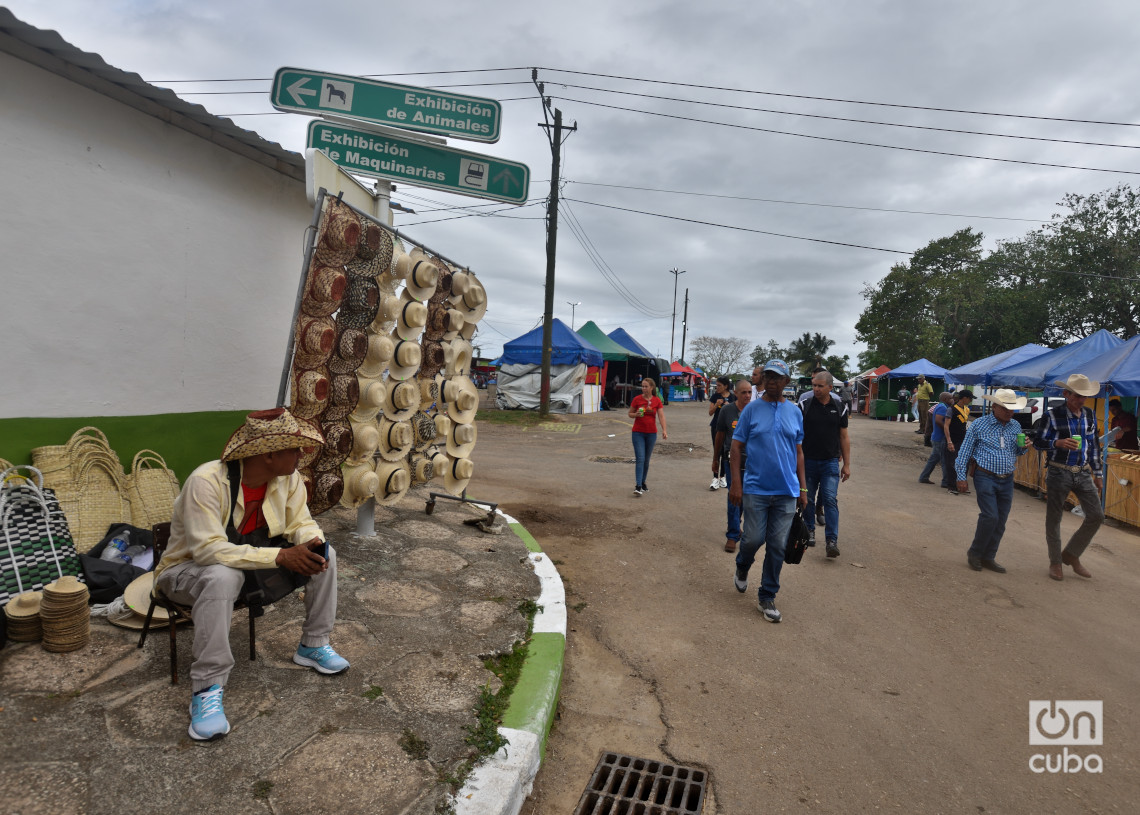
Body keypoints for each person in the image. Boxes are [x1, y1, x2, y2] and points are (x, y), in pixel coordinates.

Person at [154, 408, 349, 742]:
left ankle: (313, 645)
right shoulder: (206, 482)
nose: (301, 455)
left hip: (243, 565)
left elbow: (299, 521)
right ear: (270, 454)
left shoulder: (287, 479)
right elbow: (207, 552)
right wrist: (281, 556)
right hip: (183, 574)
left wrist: (310, 541)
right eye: (294, 448)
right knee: (222, 576)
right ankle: (207, 688)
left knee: (324, 554)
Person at [729, 359, 807, 623]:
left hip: (786, 491)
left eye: (778, 378)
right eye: (768, 377)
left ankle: (767, 595)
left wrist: (803, 488)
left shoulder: (795, 412)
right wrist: (736, 484)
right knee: (752, 539)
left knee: (776, 545)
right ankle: (742, 565)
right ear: (762, 381)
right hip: (756, 489)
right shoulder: (751, 411)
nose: (772, 382)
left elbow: (798, 452)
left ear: (787, 382)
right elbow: (736, 447)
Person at [1034, 374, 1105, 581]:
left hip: (1082, 471)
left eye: (1084, 396)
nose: (1081, 400)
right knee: (1054, 518)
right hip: (1058, 470)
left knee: (1096, 516)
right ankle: (1056, 562)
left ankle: (1071, 554)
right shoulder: (1052, 415)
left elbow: (1093, 447)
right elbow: (1038, 442)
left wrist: (1098, 474)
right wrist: (1057, 443)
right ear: (1066, 394)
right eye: (1077, 395)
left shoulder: (1090, 415)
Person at [954, 389, 1030, 573]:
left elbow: (1017, 452)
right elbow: (964, 451)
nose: (1009, 412)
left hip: (1007, 478)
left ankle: (989, 557)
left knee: (1001, 520)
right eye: (1005, 408)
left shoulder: (1015, 426)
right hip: (985, 475)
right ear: (994, 406)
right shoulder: (979, 424)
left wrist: (1024, 447)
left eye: (1012, 408)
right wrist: (961, 476)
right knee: (990, 516)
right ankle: (975, 552)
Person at [800, 370, 850, 558]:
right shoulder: (804, 405)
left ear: (830, 387)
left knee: (830, 499)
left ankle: (832, 540)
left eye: (820, 386)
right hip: (808, 462)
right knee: (808, 498)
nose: (816, 389)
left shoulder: (839, 407)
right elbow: (796, 435)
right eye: (814, 385)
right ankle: (809, 530)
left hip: (830, 462)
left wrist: (846, 464)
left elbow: (844, 436)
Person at [713, 379, 751, 553]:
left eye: (750, 392)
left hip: (751, 462)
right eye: (743, 392)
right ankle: (732, 535)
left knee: (743, 498)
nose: (747, 396)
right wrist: (715, 459)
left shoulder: (755, 411)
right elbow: (720, 435)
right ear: (736, 393)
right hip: (731, 460)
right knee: (733, 495)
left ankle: (737, 526)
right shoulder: (727, 411)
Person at [628, 377, 667, 496]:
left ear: (651, 388)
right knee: (640, 458)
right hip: (638, 433)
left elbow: (661, 416)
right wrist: (636, 414)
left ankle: (643, 482)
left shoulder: (656, 400)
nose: (643, 388)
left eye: (646, 386)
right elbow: (630, 414)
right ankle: (638, 485)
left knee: (646, 460)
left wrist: (664, 430)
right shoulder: (637, 399)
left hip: (651, 433)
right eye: (642, 386)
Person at [918, 392, 953, 487]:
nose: (952, 400)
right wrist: (947, 430)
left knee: (934, 459)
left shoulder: (939, 406)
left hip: (937, 437)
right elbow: (938, 420)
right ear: (946, 399)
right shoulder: (942, 407)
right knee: (944, 460)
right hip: (939, 437)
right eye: (951, 398)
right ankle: (946, 482)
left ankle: (924, 477)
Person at [943, 390, 974, 494]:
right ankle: (951, 487)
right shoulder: (951, 409)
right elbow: (946, 426)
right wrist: (949, 441)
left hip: (963, 441)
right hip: (953, 440)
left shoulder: (967, 409)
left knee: (964, 463)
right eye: (970, 398)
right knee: (952, 463)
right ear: (964, 398)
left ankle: (962, 486)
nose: (970, 401)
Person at [708, 376, 731, 490]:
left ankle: (722, 476)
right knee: (717, 451)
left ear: (725, 386)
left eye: (719, 385)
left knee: (725, 452)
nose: (717, 387)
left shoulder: (733, 397)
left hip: (728, 428)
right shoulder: (715, 396)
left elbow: (738, 412)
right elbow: (710, 413)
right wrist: (717, 404)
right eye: (716, 385)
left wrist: (729, 407)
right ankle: (715, 478)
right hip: (716, 427)